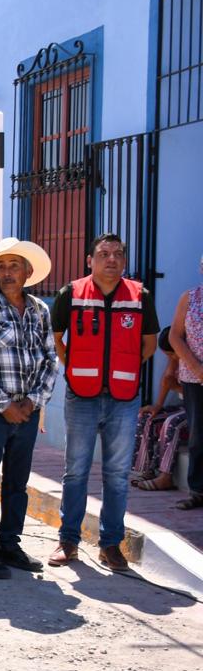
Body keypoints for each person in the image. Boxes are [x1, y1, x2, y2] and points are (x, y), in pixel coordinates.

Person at [49, 233, 160, 572]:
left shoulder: (140, 295)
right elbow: (57, 340)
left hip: (123, 399)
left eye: (117, 254)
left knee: (116, 475)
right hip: (81, 395)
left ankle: (110, 545)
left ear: (124, 261)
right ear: (90, 260)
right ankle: (68, 541)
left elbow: (150, 344)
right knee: (75, 472)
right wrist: (78, 369)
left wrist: (120, 371)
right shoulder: (71, 293)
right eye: (103, 253)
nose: (111, 259)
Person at [0, 239, 59, 579]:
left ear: (28, 272)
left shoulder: (39, 310)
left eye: (13, 266)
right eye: (1, 267)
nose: (6, 273)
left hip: (28, 412)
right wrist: (4, 405)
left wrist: (33, 401)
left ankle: (9, 545)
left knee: (18, 483)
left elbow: (50, 359)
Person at [131, 329, 187, 493]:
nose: (171, 359)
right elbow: (166, 381)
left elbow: (194, 397)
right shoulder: (175, 359)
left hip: (196, 410)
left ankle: (165, 476)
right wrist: (157, 406)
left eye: (173, 354)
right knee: (147, 417)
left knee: (172, 423)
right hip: (184, 406)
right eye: (168, 355)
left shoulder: (193, 360)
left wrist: (176, 387)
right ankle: (145, 469)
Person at [168, 252, 203, 511]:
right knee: (198, 435)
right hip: (195, 378)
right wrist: (196, 367)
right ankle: (198, 491)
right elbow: (175, 336)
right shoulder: (190, 298)